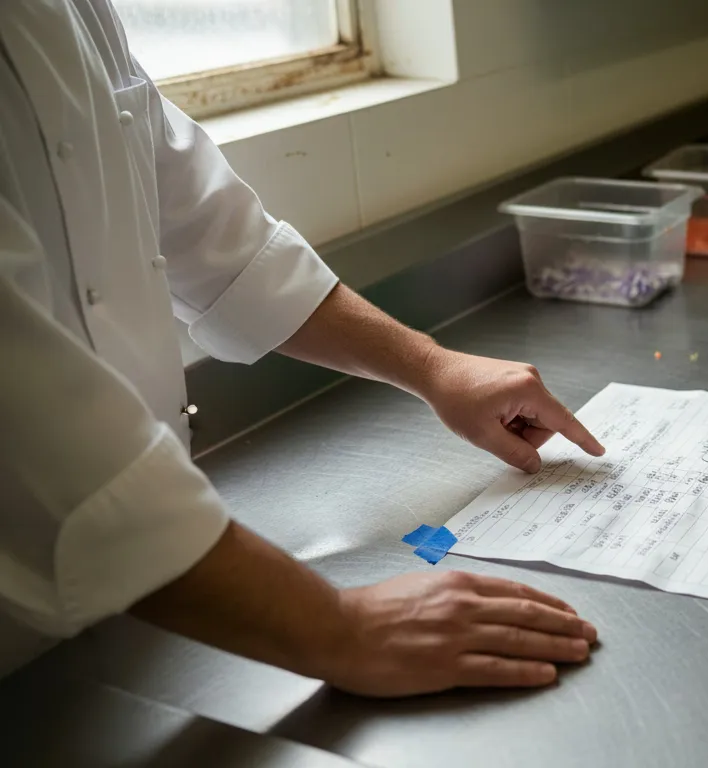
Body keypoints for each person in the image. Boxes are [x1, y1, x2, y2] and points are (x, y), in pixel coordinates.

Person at [1, 0, 606, 695]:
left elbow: (213, 239)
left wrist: (434, 368)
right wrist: (343, 628)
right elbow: (29, 436)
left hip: (144, 581)